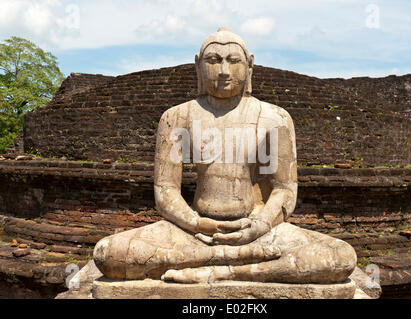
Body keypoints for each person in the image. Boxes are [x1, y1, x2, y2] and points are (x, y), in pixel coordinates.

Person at [93, 28, 356, 284]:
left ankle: (225, 272)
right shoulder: (177, 117)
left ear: (249, 65)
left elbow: (284, 190)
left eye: (234, 61)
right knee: (108, 253)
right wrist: (196, 223)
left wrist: (259, 225)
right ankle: (242, 261)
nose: (223, 71)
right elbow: (165, 192)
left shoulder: (275, 119)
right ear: (198, 65)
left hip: (255, 231)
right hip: (195, 234)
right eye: (213, 60)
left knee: (341, 257)